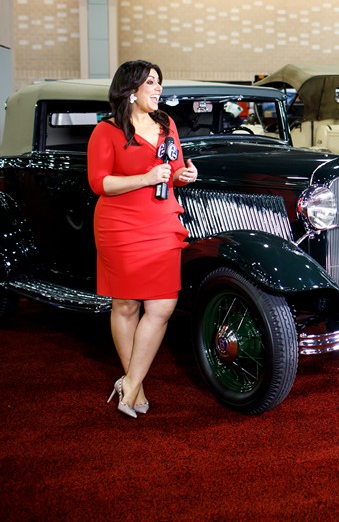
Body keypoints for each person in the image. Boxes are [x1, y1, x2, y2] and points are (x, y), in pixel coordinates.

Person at [88, 60, 199, 419]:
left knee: (163, 305)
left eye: (159, 82)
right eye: (151, 82)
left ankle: (130, 383)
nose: (158, 88)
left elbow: (174, 170)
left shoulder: (166, 124)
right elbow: (99, 183)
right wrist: (146, 178)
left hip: (161, 220)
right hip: (120, 224)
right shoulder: (106, 131)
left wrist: (185, 175)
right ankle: (136, 388)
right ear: (131, 89)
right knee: (125, 305)